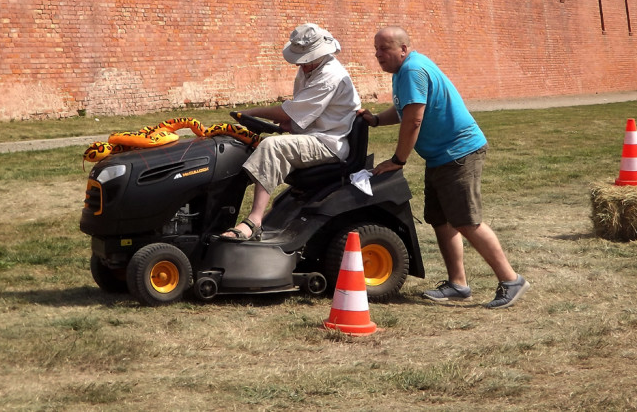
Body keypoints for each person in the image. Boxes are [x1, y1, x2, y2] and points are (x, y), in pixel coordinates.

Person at [361, 26, 530, 309]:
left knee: (466, 220)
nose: (379, 54)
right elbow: (405, 109)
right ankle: (458, 284)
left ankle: (511, 280)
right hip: (441, 157)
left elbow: (414, 120)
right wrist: (376, 120)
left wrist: (398, 161)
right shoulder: (405, 71)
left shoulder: (413, 71)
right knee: (441, 219)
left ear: (403, 49)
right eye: (376, 49)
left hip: (459, 153)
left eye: (385, 48)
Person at [222, 23, 361, 240]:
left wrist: (251, 112)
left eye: (307, 60)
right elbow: (302, 112)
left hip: (329, 142)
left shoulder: (330, 75)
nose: (302, 65)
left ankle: (255, 220)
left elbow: (290, 111)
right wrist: (290, 124)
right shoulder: (310, 69)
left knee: (271, 146)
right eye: (301, 61)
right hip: (312, 134)